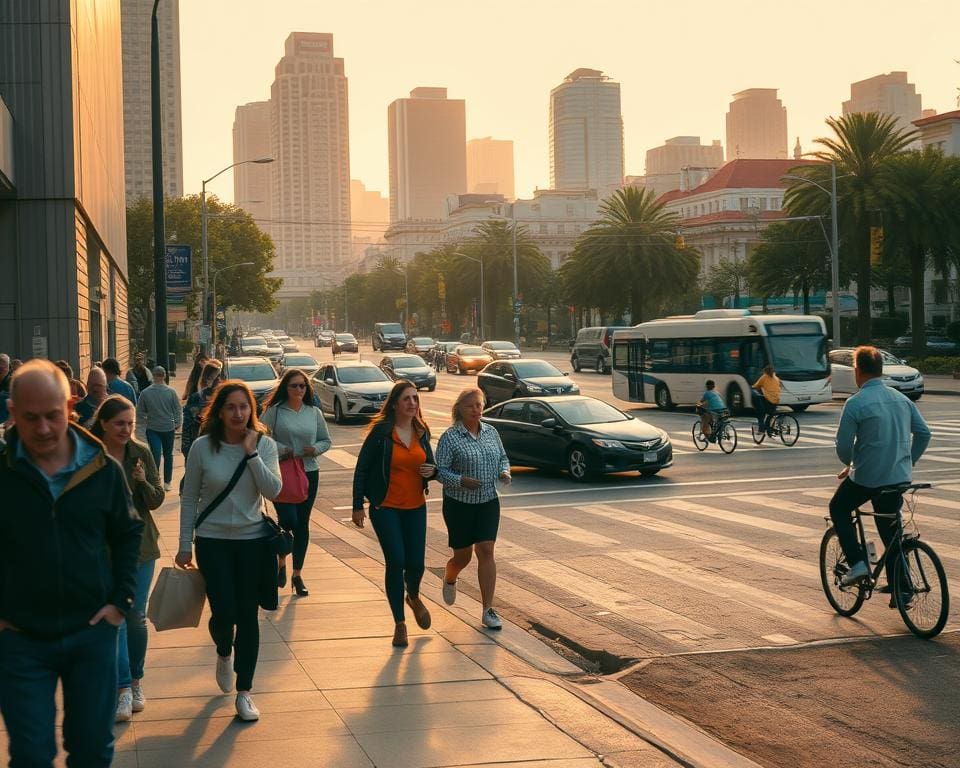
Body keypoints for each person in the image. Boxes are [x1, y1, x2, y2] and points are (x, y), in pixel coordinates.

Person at [0, 360, 143, 767]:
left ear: (71, 406)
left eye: (53, 416)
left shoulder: (102, 469)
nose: (44, 429)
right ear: (12, 413)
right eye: (31, 418)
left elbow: (128, 533)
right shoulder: (3, 471)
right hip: (20, 638)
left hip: (91, 634)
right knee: (30, 753)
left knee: (92, 750)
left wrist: (121, 601)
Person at [177, 381, 282, 722]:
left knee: (248, 616)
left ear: (252, 410)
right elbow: (190, 496)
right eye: (231, 407)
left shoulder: (264, 445)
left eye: (244, 407)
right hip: (212, 542)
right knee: (224, 614)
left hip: (253, 542)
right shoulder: (203, 448)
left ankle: (245, 691)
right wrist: (183, 544)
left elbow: (274, 490)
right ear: (219, 412)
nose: (239, 414)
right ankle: (224, 651)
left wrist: (251, 454)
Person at [830, 346, 931, 594]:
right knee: (889, 527)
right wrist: (910, 461)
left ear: (858, 370)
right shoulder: (901, 399)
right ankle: (903, 587)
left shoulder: (856, 403)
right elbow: (924, 434)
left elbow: (843, 448)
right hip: (899, 477)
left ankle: (857, 563)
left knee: (839, 507)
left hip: (867, 478)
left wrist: (851, 465)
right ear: (880, 369)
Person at [90, 396, 164, 722]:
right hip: (102, 549)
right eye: (119, 423)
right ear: (103, 423)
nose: (126, 429)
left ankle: (136, 681)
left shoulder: (141, 453)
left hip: (141, 546)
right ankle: (121, 690)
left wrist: (141, 481)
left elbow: (156, 499)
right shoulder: (89, 455)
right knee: (118, 616)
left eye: (130, 423)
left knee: (135, 615)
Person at [352, 381, 438, 648]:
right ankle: (400, 624)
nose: (413, 403)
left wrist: (431, 472)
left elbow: (431, 464)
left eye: (415, 399)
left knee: (416, 564)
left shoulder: (421, 430)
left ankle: (412, 595)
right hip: (385, 506)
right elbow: (362, 468)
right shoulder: (381, 432)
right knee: (396, 560)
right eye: (407, 399)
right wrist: (357, 505)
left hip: (415, 507)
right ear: (395, 404)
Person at [436, 388, 511, 630]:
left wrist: (504, 471)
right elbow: (440, 471)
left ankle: (488, 609)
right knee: (463, 556)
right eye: (471, 406)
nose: (476, 410)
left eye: (479, 405)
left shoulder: (491, 432)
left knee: (486, 550)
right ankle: (450, 576)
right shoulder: (450, 437)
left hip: (488, 500)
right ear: (459, 409)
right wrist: (461, 481)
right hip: (459, 505)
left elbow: (502, 457)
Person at [260, 369, 331, 597]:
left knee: (302, 524)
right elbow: (259, 435)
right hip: (283, 471)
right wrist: (281, 449)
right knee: (287, 520)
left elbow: (326, 440)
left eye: (302, 386)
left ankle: (297, 574)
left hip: (309, 471)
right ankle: (281, 558)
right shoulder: (275, 412)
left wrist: (315, 449)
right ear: (285, 388)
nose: (299, 390)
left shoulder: (313, 412)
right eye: (294, 386)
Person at [136, 366, 182, 491]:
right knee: (168, 455)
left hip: (152, 428)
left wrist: (141, 425)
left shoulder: (145, 393)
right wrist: (178, 423)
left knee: (155, 454)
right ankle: (168, 482)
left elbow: (140, 411)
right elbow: (178, 409)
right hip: (168, 427)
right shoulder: (171, 392)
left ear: (153, 376)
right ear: (164, 376)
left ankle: (155, 480)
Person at [181, 360, 224, 460]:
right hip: (197, 450)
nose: (218, 381)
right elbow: (187, 426)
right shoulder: (195, 398)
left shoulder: (225, 399)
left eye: (220, 377)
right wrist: (187, 450)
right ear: (207, 379)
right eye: (215, 378)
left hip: (219, 451)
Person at [753, 364, 780, 434]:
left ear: (765, 371)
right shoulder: (776, 378)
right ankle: (769, 429)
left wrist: (752, 387)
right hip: (776, 400)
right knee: (770, 414)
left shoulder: (764, 377)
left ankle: (761, 430)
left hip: (769, 400)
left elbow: (756, 385)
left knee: (760, 412)